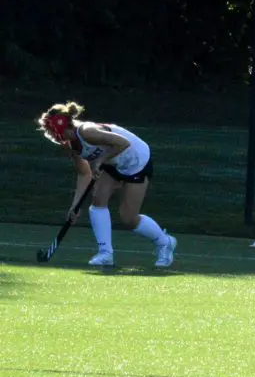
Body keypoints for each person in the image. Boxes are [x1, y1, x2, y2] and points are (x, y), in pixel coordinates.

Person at [36, 101, 176, 267]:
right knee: (98, 199)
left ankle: (164, 242)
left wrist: (100, 160)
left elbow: (124, 143)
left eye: (51, 131)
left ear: (61, 127)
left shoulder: (87, 132)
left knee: (128, 218)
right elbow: (84, 172)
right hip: (112, 163)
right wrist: (75, 207)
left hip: (136, 161)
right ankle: (105, 254)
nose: (51, 135)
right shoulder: (70, 145)